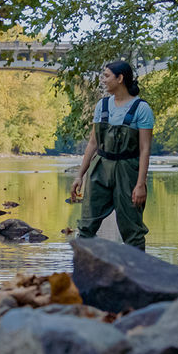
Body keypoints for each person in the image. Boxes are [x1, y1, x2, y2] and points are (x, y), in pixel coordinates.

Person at [70, 60, 155, 250]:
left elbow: (145, 149)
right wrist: (79, 175)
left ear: (120, 78)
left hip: (128, 172)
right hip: (100, 169)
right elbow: (93, 143)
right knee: (85, 226)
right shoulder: (102, 105)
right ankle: (82, 273)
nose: (103, 80)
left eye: (106, 76)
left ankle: (136, 275)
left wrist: (140, 184)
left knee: (132, 231)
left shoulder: (142, 109)